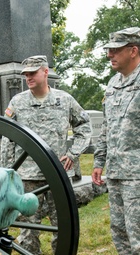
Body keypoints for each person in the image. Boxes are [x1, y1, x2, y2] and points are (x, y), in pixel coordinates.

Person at [0, 55, 91, 254]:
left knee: (63, 226)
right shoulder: (18, 101)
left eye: (33, 73)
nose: (28, 78)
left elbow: (84, 125)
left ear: (45, 72)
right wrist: (7, 172)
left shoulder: (64, 100)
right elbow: (7, 138)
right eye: (25, 74)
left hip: (57, 175)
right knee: (28, 230)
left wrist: (73, 153)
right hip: (28, 177)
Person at [92, 27, 140, 255]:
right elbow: (106, 127)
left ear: (133, 51)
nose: (109, 55)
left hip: (137, 175)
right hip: (116, 173)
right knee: (120, 234)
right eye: (109, 50)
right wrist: (99, 161)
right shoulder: (112, 84)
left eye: (115, 50)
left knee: (138, 235)